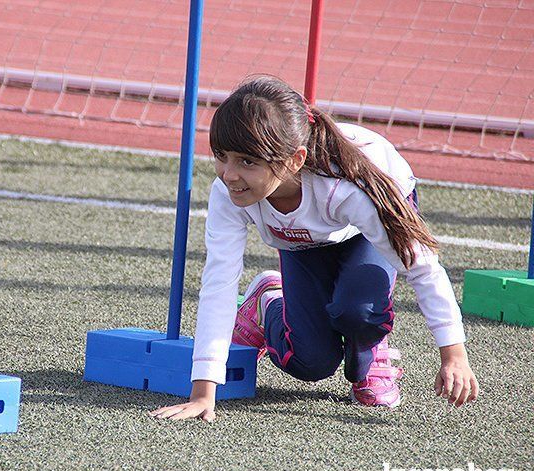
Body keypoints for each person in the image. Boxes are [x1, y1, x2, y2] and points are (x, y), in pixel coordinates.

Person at [150, 75, 479, 422]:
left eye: (247, 161)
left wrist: (453, 353)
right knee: (311, 362)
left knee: (359, 312)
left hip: (365, 230)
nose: (229, 174)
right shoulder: (229, 194)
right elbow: (219, 282)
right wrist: (203, 392)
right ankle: (266, 302)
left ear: (295, 160)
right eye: (221, 156)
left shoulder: (349, 186)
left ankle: (371, 352)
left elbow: (421, 266)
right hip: (302, 243)